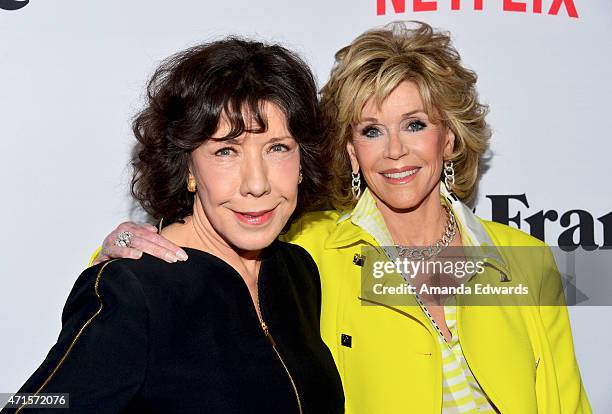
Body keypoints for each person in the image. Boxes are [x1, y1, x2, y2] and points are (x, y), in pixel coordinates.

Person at [90, 22, 591, 413]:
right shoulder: (310, 252)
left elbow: (565, 403)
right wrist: (121, 244)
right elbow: (181, 269)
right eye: (371, 131)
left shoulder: (524, 258)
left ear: (451, 138)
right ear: (350, 150)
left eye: (414, 124)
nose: (395, 151)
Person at [3, 38, 344, 413]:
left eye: (277, 148)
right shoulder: (135, 291)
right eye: (225, 151)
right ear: (188, 168)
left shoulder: (296, 272)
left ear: (302, 159)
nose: (257, 183)